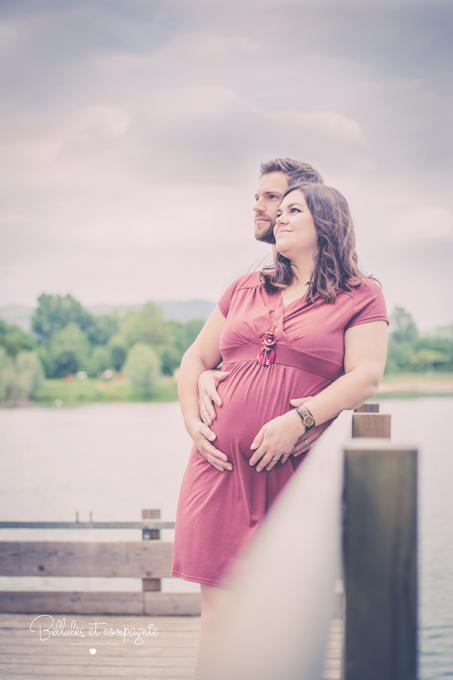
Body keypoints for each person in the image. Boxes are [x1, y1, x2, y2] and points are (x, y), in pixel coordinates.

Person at [172, 181, 389, 679]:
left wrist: (301, 418)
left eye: (294, 210)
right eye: (279, 209)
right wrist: (192, 420)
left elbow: (366, 375)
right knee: (219, 617)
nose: (279, 217)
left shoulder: (360, 294)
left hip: (292, 471)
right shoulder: (245, 288)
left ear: (326, 225)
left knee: (282, 615)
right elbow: (194, 359)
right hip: (217, 471)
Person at [198, 158, 329, 473]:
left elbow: (356, 371)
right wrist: (204, 376)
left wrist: (323, 416)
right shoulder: (240, 280)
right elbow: (217, 359)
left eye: (272, 198)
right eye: (257, 198)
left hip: (298, 469)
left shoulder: (338, 284)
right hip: (223, 466)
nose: (258, 207)